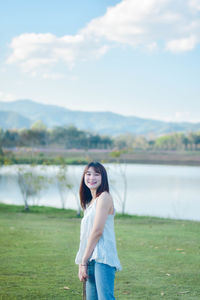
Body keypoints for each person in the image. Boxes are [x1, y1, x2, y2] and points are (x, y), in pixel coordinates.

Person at [75, 161, 122, 300]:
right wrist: (81, 263)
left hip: (103, 257)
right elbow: (85, 237)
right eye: (88, 174)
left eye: (96, 174)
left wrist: (83, 260)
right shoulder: (90, 203)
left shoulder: (104, 197)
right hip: (90, 258)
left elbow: (97, 231)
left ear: (103, 178)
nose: (91, 178)